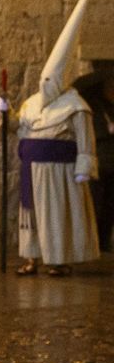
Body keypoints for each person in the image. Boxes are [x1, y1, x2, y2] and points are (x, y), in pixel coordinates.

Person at [11, 0, 99, 276]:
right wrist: (4, 116)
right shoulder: (33, 103)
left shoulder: (76, 106)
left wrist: (83, 168)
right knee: (31, 215)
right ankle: (31, 257)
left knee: (55, 216)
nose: (44, 85)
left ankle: (59, 258)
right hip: (32, 168)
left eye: (51, 81)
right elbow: (22, 129)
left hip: (59, 173)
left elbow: (86, 141)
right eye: (42, 81)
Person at [75, 70, 114, 250]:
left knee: (109, 206)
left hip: (112, 161)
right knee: (96, 204)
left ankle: (105, 240)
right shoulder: (94, 107)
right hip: (100, 161)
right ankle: (95, 242)